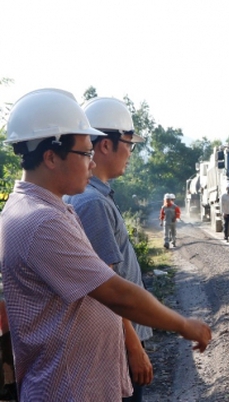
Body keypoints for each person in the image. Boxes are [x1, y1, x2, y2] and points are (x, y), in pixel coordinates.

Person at [0, 89, 211, 401]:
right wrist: (182, 324)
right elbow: (116, 293)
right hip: (68, 390)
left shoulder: (43, 208)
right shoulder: (42, 221)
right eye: (85, 153)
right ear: (51, 157)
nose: (91, 162)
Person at [63, 97, 152, 402]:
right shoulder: (93, 203)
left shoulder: (90, 197)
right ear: (105, 145)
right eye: (128, 142)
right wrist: (134, 348)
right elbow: (107, 290)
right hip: (117, 350)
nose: (130, 152)